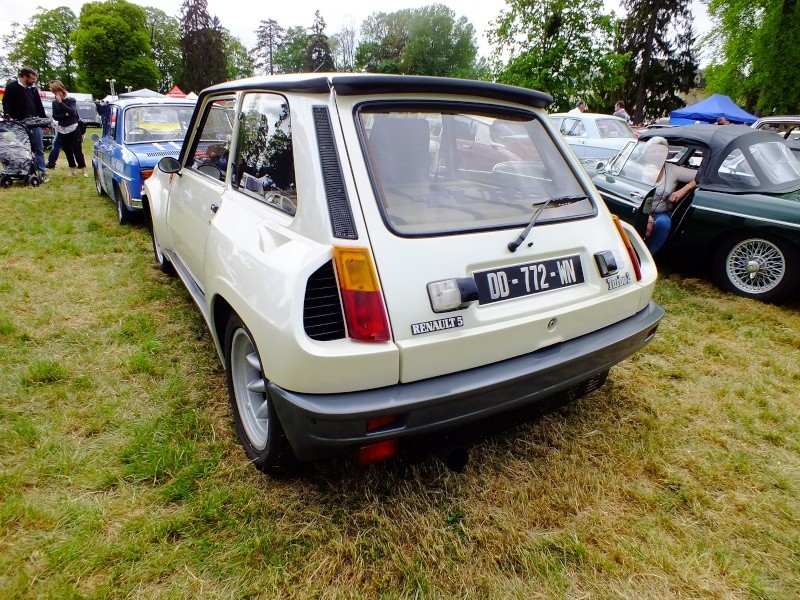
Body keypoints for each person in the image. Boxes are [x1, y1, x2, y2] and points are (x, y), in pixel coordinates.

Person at [643, 136, 698, 255]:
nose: (658, 155)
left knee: (663, 224)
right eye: (654, 151)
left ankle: (646, 257)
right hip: (639, 210)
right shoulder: (637, 168)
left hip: (661, 213)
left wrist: (684, 190)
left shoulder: (672, 170)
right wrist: (647, 218)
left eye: (661, 152)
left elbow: (701, 176)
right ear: (646, 153)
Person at [2, 66, 48, 181]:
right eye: (31, 79)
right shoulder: (12, 87)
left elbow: (39, 106)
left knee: (39, 147)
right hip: (18, 124)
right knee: (18, 147)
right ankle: (20, 169)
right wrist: (8, 116)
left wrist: (44, 121)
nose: (33, 81)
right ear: (24, 76)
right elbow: (6, 103)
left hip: (34, 122)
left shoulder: (33, 89)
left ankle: (41, 170)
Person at [49, 80, 88, 177]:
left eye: (58, 92)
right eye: (55, 93)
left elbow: (72, 112)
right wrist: (65, 114)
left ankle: (84, 170)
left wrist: (61, 103)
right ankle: (72, 170)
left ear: (62, 90)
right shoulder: (54, 103)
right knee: (67, 150)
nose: (57, 95)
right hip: (62, 129)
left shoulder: (71, 100)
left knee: (77, 150)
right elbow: (55, 116)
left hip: (73, 128)